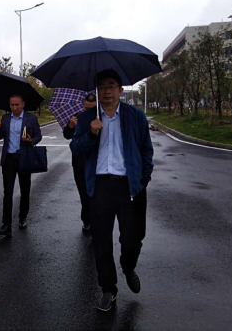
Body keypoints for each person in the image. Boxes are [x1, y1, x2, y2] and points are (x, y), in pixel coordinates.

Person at [70, 70, 154, 312]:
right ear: (97, 91)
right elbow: (76, 148)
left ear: (120, 90)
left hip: (130, 186)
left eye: (111, 85)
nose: (107, 91)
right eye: (102, 86)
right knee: (101, 241)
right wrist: (91, 134)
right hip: (100, 186)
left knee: (132, 238)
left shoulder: (135, 116)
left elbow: (146, 151)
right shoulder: (88, 118)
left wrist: (143, 179)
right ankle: (108, 288)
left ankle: (128, 266)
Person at [0, 94, 42, 237]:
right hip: (9, 159)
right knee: (7, 192)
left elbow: (38, 136)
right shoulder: (5, 118)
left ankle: (22, 217)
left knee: (25, 190)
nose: (14, 107)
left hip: (24, 158)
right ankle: (6, 224)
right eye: (12, 105)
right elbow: (0, 136)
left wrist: (31, 140)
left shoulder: (31, 118)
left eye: (17, 105)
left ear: (23, 104)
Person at [62, 91, 97, 232]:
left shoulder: (102, 118)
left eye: (92, 108)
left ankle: (97, 221)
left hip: (97, 162)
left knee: (96, 194)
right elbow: (67, 135)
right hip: (79, 162)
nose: (88, 111)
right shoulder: (77, 117)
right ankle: (87, 220)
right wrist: (71, 126)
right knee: (84, 193)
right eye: (86, 108)